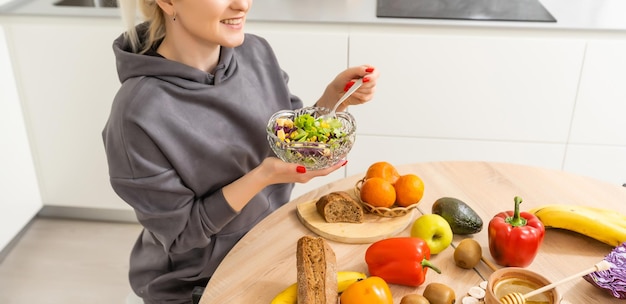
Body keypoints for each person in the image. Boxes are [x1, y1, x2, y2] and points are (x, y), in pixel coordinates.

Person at [102, 0, 379, 303]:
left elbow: (287, 140)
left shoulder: (255, 52)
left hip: (270, 245)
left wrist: (332, 100)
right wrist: (263, 176)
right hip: (197, 284)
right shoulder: (137, 113)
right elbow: (182, 234)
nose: (243, 4)